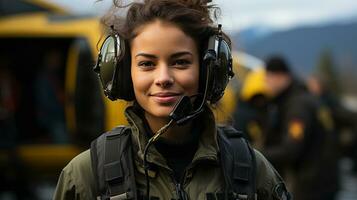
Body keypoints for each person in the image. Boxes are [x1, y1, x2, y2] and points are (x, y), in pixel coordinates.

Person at [53, 1, 290, 199]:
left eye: (180, 62)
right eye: (147, 64)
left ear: (208, 71)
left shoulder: (248, 168)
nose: (163, 78)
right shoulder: (88, 175)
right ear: (124, 74)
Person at [262, 56, 336, 200]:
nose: (266, 82)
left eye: (268, 77)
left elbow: (291, 150)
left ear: (281, 77)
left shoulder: (297, 106)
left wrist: (256, 155)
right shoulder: (302, 97)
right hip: (322, 178)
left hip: (314, 183)